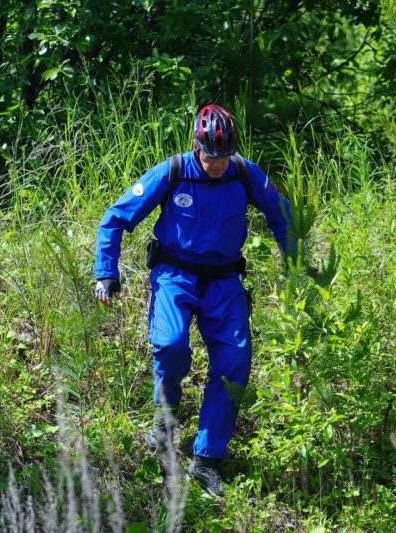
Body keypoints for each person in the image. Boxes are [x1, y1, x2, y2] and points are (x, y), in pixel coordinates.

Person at [94, 104, 293, 497]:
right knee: (170, 346)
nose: (217, 163)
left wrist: (299, 265)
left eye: (224, 155)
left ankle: (207, 461)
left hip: (224, 281)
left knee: (235, 363)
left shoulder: (244, 173)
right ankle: (164, 422)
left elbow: (282, 217)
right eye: (210, 155)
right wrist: (106, 272)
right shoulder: (172, 171)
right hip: (175, 276)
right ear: (196, 145)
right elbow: (116, 217)